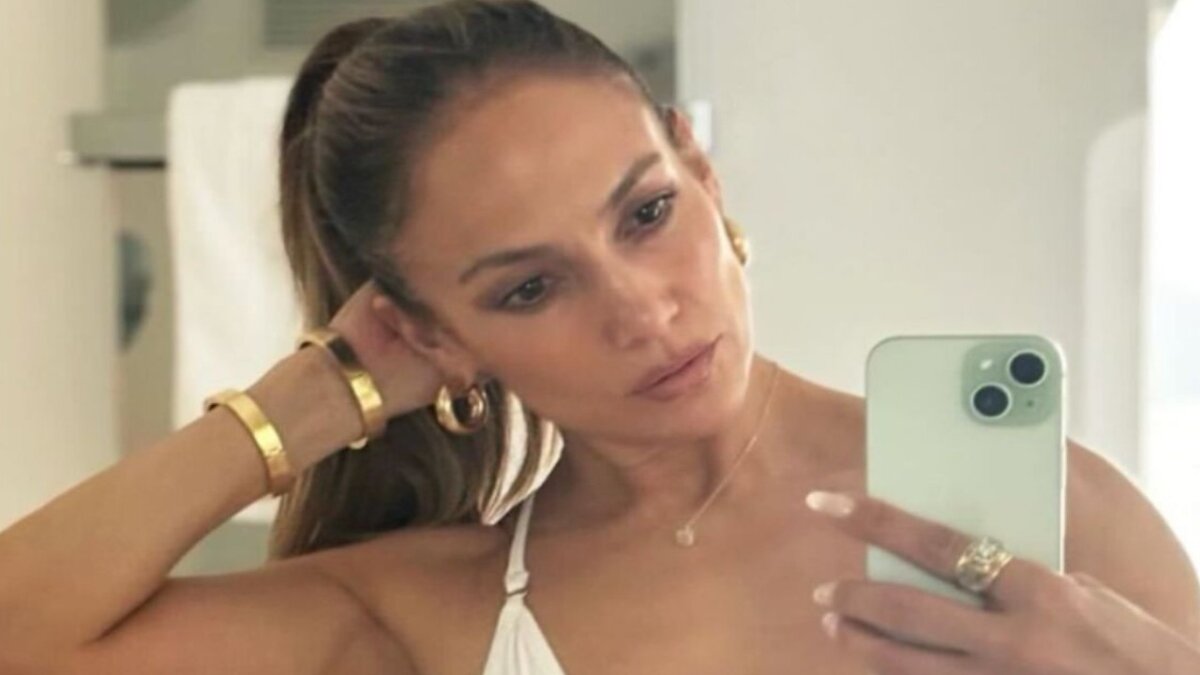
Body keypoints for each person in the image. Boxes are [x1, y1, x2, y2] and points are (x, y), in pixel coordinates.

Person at [2, 1, 1199, 673]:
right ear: (435, 334)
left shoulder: (1055, 521)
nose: (640, 310)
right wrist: (312, 402)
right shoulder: (433, 611)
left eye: (646, 213)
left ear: (702, 171)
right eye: (530, 288)